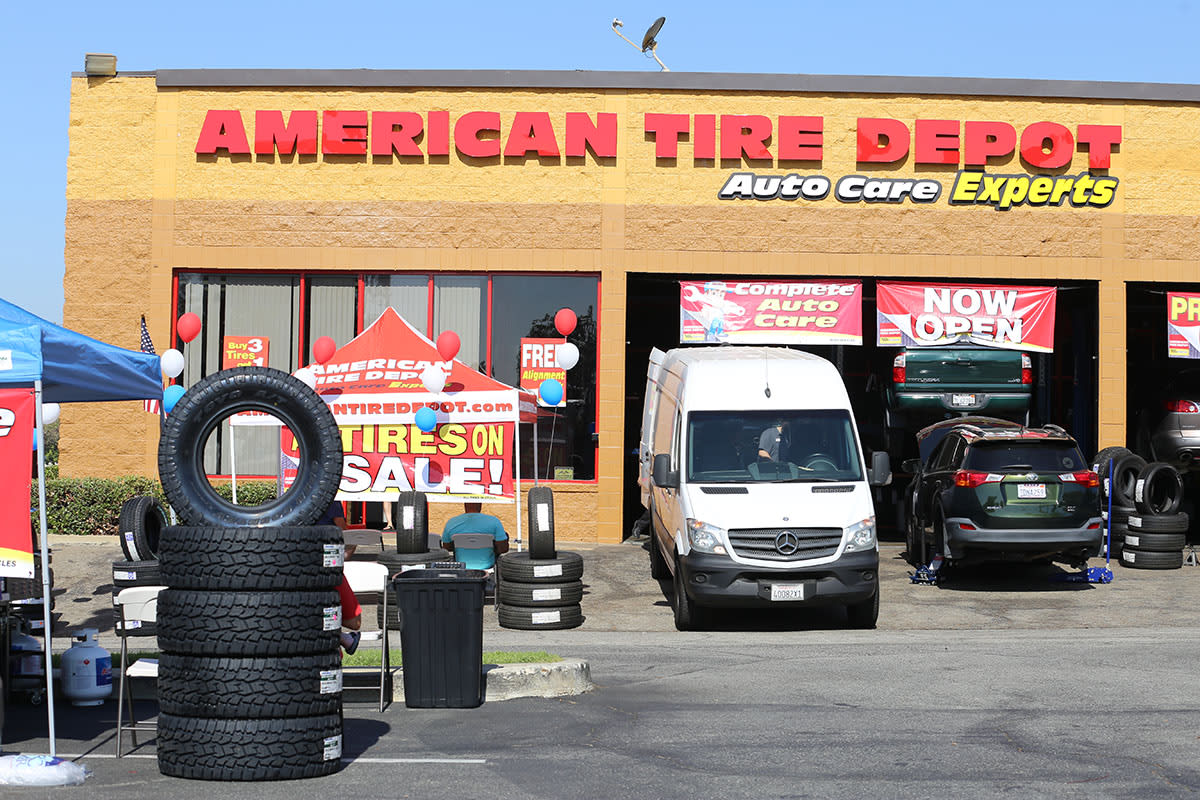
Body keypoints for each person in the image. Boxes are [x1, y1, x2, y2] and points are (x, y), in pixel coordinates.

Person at [317, 499, 361, 655]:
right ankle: (342, 638)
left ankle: (343, 639)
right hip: (328, 566)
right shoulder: (330, 503)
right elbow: (355, 623)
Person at [441, 502, 510, 576]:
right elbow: (503, 549)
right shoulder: (494, 522)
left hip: (461, 568)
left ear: (465, 504)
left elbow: (446, 548)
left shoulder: (451, 523)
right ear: (480, 504)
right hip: (488, 568)